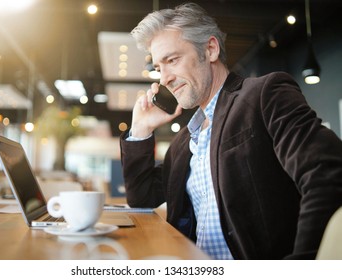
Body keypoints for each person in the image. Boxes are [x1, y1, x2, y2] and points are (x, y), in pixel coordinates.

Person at [119, 2, 342, 259]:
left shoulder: (263, 94)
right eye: (159, 68)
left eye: (172, 60)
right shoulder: (183, 143)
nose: (164, 78)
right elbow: (142, 197)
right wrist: (140, 129)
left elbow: (327, 173)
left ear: (211, 49)